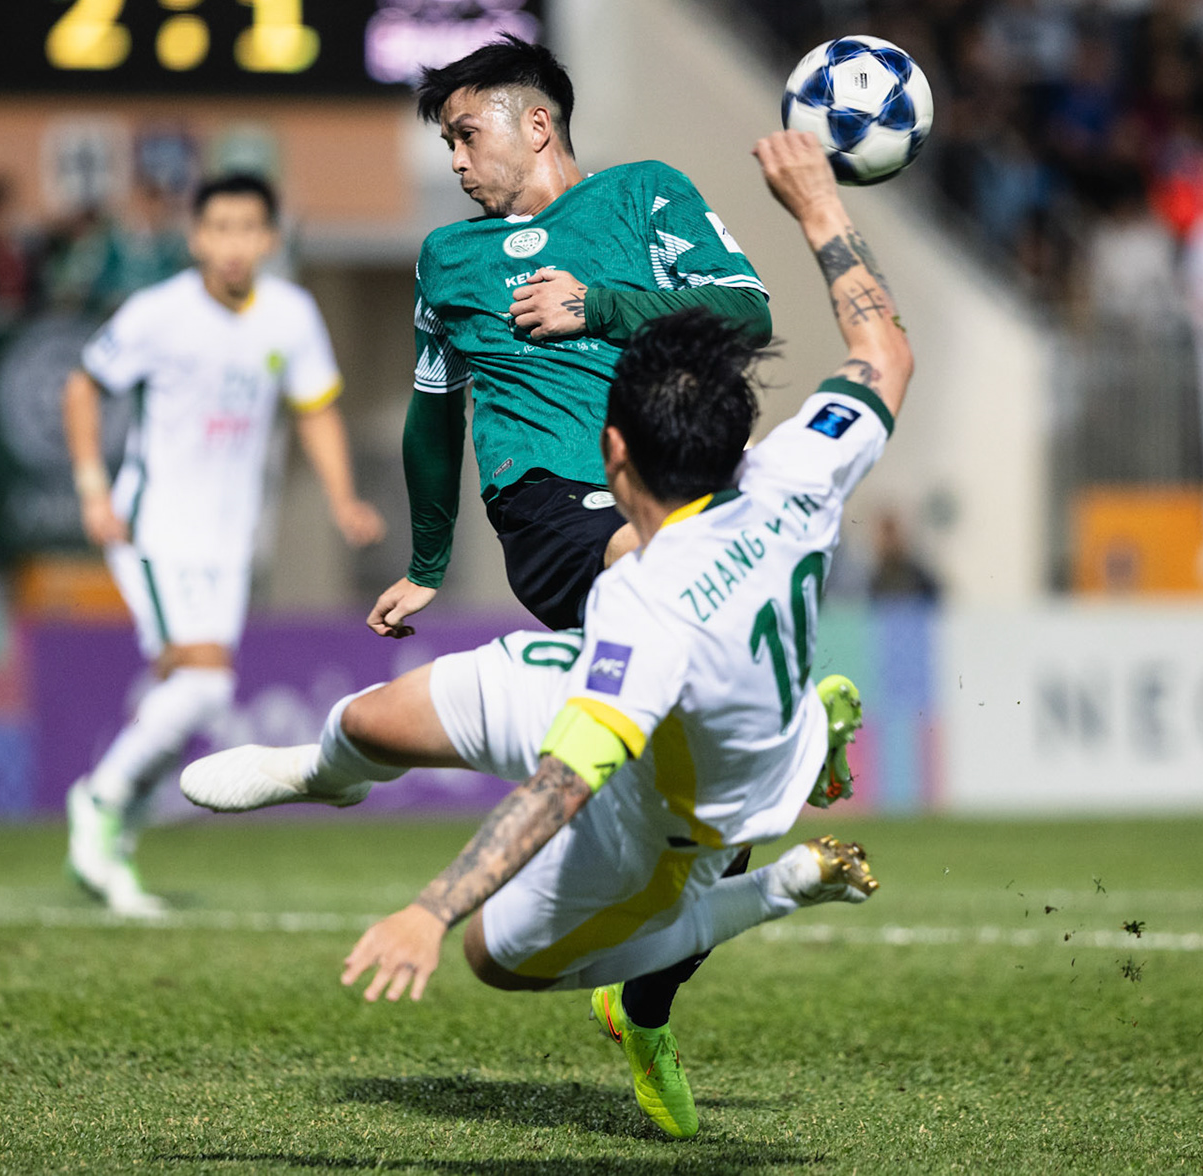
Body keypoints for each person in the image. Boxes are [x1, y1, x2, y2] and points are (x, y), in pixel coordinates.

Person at [180, 129, 912, 1138]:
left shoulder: (650, 606)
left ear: (613, 454)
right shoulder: (793, 473)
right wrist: (820, 206)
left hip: (671, 806)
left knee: (497, 956)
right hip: (667, 675)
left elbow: (562, 784)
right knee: (373, 717)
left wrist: (430, 909)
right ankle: (324, 768)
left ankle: (781, 884)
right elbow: (883, 354)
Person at [369, 35, 773, 639]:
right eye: (449, 143)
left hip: (677, 477)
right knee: (660, 572)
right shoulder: (448, 258)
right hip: (547, 498)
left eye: (467, 136)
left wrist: (597, 307)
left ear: (536, 127)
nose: (456, 161)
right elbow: (434, 411)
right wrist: (427, 565)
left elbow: (747, 316)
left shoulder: (644, 193)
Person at [61, 173, 385, 916]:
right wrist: (91, 488)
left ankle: (113, 843)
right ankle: (99, 803)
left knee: (190, 695)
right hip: (157, 525)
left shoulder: (291, 315)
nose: (234, 244)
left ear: (270, 239)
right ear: (196, 237)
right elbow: (83, 385)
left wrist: (341, 498)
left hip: (230, 540)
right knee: (204, 685)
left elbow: (316, 409)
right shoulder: (159, 313)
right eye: (219, 228)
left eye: (249, 228)